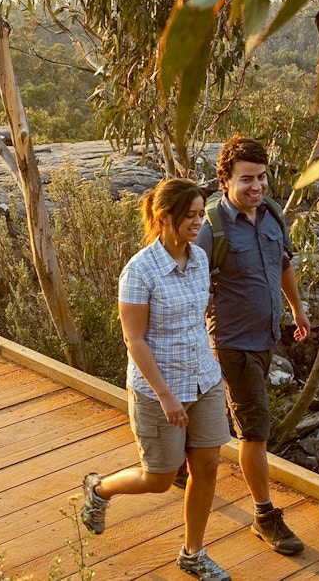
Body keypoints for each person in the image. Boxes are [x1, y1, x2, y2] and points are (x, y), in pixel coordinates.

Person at [81, 178, 232, 581]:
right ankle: (99, 489)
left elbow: (198, 322)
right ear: (164, 217)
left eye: (202, 215)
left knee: (208, 464)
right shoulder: (139, 271)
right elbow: (134, 339)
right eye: (191, 216)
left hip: (204, 380)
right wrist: (166, 396)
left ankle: (192, 553)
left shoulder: (199, 258)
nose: (199, 222)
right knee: (160, 479)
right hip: (158, 389)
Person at [197, 135, 311, 556]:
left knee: (233, 413)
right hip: (231, 342)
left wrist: (297, 310)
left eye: (262, 177)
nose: (257, 186)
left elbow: (283, 264)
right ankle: (265, 517)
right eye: (247, 179)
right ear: (224, 180)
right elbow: (188, 283)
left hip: (266, 336)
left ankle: (177, 461)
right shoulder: (211, 227)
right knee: (254, 430)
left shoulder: (272, 216)